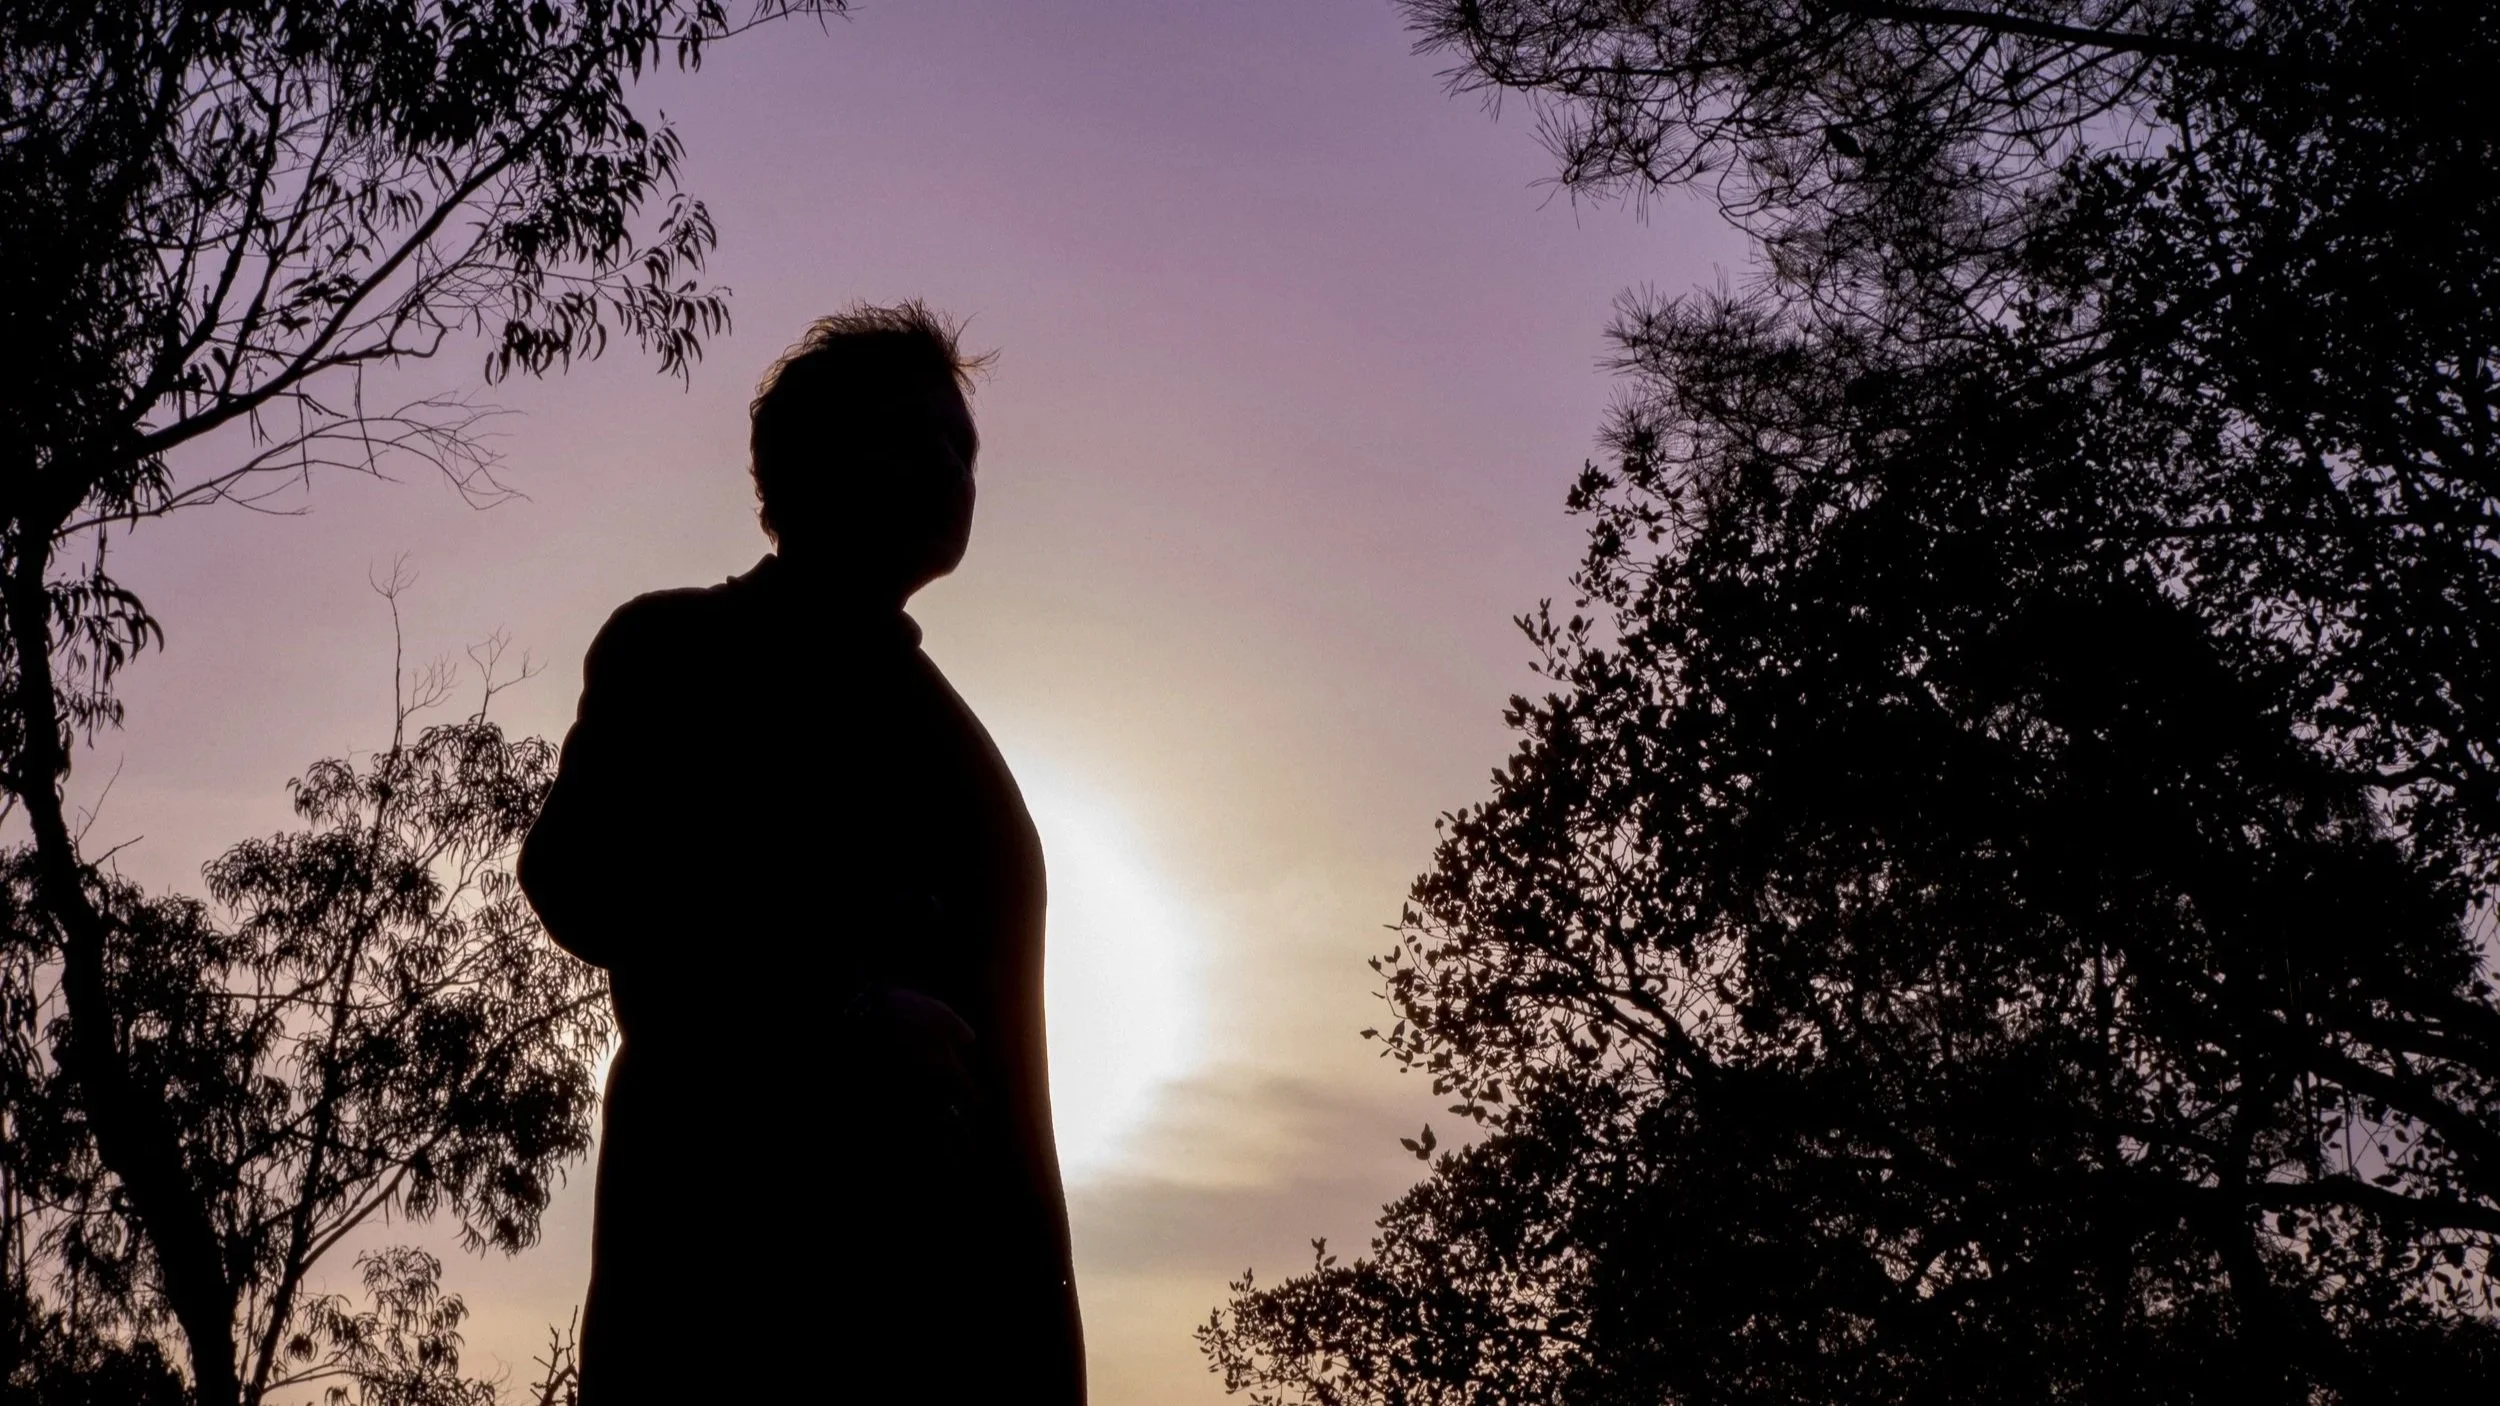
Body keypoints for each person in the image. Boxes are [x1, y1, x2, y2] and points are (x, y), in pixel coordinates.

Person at [518, 304, 1085, 1403]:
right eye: (914, 436)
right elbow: (579, 876)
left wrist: (1048, 1348)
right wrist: (843, 1010)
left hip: (943, 1337)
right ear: (811, 463)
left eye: (963, 448)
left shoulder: (966, 752)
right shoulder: (679, 649)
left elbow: (1019, 1097)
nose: (951, 470)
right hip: (721, 1308)